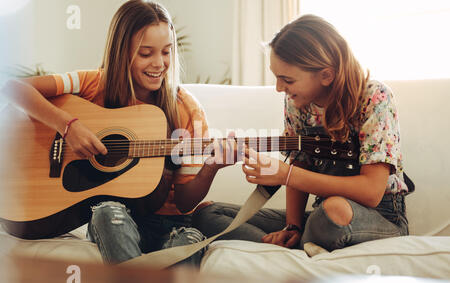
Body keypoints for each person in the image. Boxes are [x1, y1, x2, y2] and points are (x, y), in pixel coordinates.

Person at [2, 0, 234, 265]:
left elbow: (183, 202)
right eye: (146, 53)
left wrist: (210, 169)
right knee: (106, 213)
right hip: (114, 217)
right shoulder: (92, 84)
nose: (159, 63)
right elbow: (13, 87)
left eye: (167, 52)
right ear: (120, 51)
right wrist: (68, 126)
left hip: (172, 225)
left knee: (189, 241)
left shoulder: (187, 109)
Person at [193, 14, 413, 252]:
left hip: (377, 216)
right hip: (322, 212)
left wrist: (286, 175)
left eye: (286, 79)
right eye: (276, 77)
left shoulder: (374, 98)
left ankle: (294, 245)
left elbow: (371, 192)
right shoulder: (298, 102)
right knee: (208, 213)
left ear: (326, 75)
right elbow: (301, 164)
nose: (279, 88)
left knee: (333, 211)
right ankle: (294, 244)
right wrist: (293, 226)